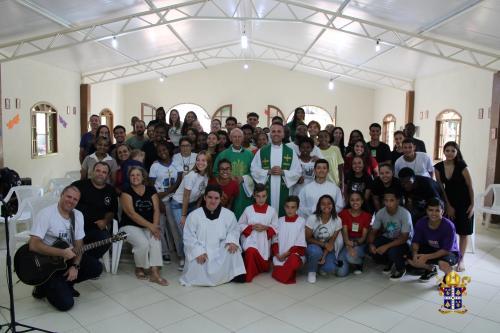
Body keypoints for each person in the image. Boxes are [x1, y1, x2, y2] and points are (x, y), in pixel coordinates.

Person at [29, 186, 102, 311]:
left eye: (75, 199)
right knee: (66, 304)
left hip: (66, 259)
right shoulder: (46, 214)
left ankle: (66, 283)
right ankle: (43, 286)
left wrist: (75, 266)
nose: (71, 201)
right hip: (47, 264)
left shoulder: (78, 215)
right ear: (61, 195)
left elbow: (79, 244)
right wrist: (61, 252)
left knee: (96, 267)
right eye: (68, 196)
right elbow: (33, 245)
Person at [180, 185, 246, 286]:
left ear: (220, 199)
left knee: (233, 249)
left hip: (220, 250)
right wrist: (198, 252)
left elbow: (234, 230)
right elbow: (188, 237)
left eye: (216, 198)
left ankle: (233, 275)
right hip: (203, 251)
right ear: (205, 198)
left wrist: (232, 241)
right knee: (196, 262)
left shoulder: (228, 214)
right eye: (210, 197)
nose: (213, 201)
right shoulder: (194, 215)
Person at [120, 167, 168, 285]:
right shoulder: (126, 192)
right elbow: (132, 214)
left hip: (149, 225)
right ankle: (140, 267)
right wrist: (151, 226)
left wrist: (155, 226)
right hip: (129, 226)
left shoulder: (151, 190)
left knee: (155, 240)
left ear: (143, 177)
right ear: (129, 178)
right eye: (132, 175)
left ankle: (155, 273)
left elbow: (156, 210)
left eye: (138, 175)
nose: (135, 177)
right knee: (143, 243)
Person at [434, 142, 474, 271]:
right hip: (449, 202)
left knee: (463, 232)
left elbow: (470, 186)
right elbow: (441, 188)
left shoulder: (461, 165)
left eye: (453, 150)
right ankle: (449, 256)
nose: (450, 153)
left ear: (457, 152)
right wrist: (448, 205)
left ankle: (461, 260)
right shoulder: (438, 167)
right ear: (443, 152)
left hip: (464, 202)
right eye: (447, 150)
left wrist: (472, 205)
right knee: (449, 231)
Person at [170, 151, 210, 270]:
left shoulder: (206, 176)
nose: (200, 162)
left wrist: (197, 208)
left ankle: (191, 256)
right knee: (184, 233)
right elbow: (185, 196)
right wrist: (183, 215)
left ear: (208, 163)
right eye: (198, 160)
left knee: (193, 232)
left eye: (203, 160)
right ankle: (183, 258)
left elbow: (200, 195)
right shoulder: (192, 175)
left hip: (192, 204)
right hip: (179, 205)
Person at [251, 123, 302, 217]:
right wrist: (268, 172)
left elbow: (297, 171)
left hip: (284, 190)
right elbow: (254, 169)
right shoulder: (262, 151)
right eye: (273, 131)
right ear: (270, 134)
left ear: (283, 134)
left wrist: (283, 172)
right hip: (266, 190)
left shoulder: (290, 152)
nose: (276, 134)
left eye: (279, 131)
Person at [72, 162, 118, 259]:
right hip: (74, 227)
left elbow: (112, 211)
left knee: (105, 240)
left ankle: (85, 260)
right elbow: (66, 202)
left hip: (94, 229)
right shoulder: (78, 185)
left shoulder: (111, 190)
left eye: (104, 172)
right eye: (98, 170)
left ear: (108, 175)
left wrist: (105, 221)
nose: (100, 174)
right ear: (92, 172)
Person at [408, 198, 459, 282]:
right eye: (430, 210)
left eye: (437, 210)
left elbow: (446, 250)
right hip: (431, 248)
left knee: (442, 264)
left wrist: (426, 257)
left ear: (442, 212)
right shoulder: (421, 222)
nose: (433, 213)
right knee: (410, 259)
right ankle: (431, 269)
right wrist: (415, 254)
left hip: (449, 252)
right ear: (426, 211)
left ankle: (450, 275)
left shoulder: (449, 226)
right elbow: (415, 241)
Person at [367, 189, 413, 281]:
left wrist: (386, 247)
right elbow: (373, 232)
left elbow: (404, 238)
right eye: (386, 200)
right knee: (370, 249)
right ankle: (390, 261)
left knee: (392, 251)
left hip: (404, 241)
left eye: (391, 200)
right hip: (388, 238)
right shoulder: (381, 212)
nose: (388, 203)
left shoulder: (405, 214)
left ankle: (401, 268)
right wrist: (371, 244)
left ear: (397, 201)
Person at [149, 142, 183, 262]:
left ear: (169, 150)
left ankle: (180, 253)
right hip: (159, 201)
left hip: (174, 200)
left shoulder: (177, 164)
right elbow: (151, 187)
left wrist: (166, 192)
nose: (162, 152)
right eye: (159, 151)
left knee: (175, 228)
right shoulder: (155, 166)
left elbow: (179, 181)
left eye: (164, 149)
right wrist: (159, 200)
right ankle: (164, 252)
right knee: (160, 227)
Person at [238, 184, 278, 282]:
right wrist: (251, 227)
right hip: (251, 240)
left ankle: (261, 266)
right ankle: (249, 275)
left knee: (264, 266)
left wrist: (266, 228)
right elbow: (240, 225)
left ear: (267, 196)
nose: (261, 199)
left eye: (263, 196)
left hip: (263, 244)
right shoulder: (248, 209)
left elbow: (276, 228)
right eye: (258, 196)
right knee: (251, 251)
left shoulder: (272, 211)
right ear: (254, 196)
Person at [305, 194, 348, 283]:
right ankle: (312, 271)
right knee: (316, 252)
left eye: (329, 203)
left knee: (330, 267)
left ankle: (320, 265)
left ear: (333, 205)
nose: (326, 206)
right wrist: (323, 244)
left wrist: (324, 256)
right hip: (313, 244)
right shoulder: (312, 218)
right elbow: (308, 238)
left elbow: (332, 241)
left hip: (327, 247)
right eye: (323, 204)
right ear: (319, 206)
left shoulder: (337, 220)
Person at [213, 128, 254, 219]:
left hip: (244, 190)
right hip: (226, 189)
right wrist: (226, 177)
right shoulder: (223, 154)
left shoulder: (249, 154)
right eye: (234, 137)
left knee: (243, 216)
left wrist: (244, 178)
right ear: (230, 138)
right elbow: (215, 172)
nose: (237, 139)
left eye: (239, 137)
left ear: (243, 138)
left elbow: (255, 172)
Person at [271, 196, 306, 284]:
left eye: (293, 207)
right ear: (284, 207)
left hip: (294, 255)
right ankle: (284, 273)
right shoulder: (279, 221)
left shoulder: (301, 221)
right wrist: (278, 254)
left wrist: (286, 255)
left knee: (293, 261)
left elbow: (300, 244)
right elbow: (275, 240)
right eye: (287, 207)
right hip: (280, 255)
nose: (289, 210)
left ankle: (279, 274)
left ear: (297, 208)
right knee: (281, 265)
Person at [340, 192, 372, 275]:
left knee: (350, 257)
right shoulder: (343, 213)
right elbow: (345, 234)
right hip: (346, 242)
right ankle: (351, 258)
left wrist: (354, 244)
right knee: (340, 273)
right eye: (352, 200)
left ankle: (359, 263)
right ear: (349, 202)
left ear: (362, 201)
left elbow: (363, 238)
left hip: (359, 243)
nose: (355, 202)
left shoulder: (367, 216)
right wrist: (348, 246)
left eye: (357, 200)